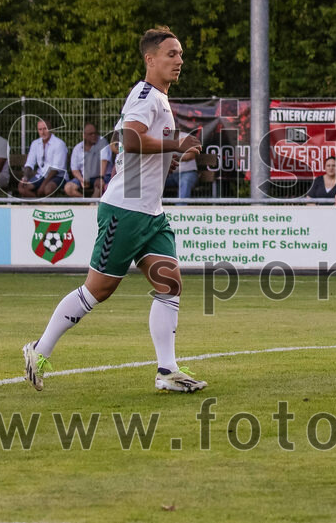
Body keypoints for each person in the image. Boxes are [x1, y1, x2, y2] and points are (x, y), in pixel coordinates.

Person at [22, 26, 206, 393]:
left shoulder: (158, 99)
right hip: (125, 209)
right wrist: (175, 143)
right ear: (150, 59)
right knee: (97, 291)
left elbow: (128, 148)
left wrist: (166, 158)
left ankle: (167, 371)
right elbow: (132, 139)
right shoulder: (145, 95)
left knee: (170, 284)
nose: (179, 60)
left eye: (181, 55)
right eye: (171, 54)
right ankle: (38, 350)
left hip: (150, 212)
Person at [18, 118, 68, 198]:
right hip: (40, 175)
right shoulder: (35, 143)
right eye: (40, 129)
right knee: (22, 188)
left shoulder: (59, 144)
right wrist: (25, 178)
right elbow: (30, 163)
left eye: (45, 129)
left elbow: (55, 169)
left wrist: (43, 184)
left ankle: (40, 203)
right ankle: (40, 204)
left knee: (47, 189)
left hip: (58, 176)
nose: (43, 132)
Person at [64, 123, 110, 198]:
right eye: (90, 134)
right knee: (68, 187)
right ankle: (86, 202)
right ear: (84, 135)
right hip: (84, 177)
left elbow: (104, 161)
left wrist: (101, 177)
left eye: (95, 133)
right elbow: (75, 169)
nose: (94, 136)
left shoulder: (102, 142)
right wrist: (81, 180)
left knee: (99, 184)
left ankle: (92, 203)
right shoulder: (77, 148)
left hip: (102, 176)